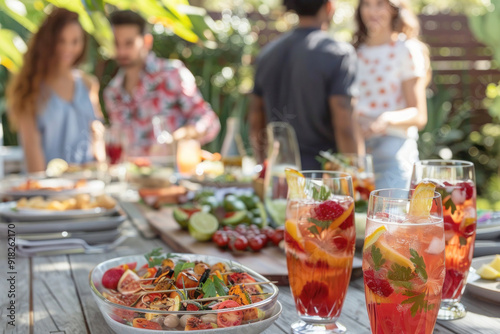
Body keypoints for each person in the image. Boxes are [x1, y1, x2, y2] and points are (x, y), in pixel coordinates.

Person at [250, 0, 363, 170]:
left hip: (280, 171)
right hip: (321, 176)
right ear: (329, 7)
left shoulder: (268, 53)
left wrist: (262, 164)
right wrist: (356, 173)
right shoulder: (338, 54)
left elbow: (255, 116)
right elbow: (344, 121)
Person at [103, 10, 220, 155]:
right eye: (116, 43)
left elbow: (208, 121)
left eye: (129, 43)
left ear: (147, 41)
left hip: (172, 173)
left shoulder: (171, 73)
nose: (121, 51)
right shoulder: (112, 93)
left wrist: (181, 136)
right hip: (130, 175)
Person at [6, 8, 104, 173]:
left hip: (89, 186)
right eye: (61, 40)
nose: (68, 48)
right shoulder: (30, 90)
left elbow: (97, 138)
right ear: (48, 41)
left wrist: (101, 171)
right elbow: (34, 164)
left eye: (75, 41)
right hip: (49, 190)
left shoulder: (88, 84)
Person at [353, 0, 430, 188]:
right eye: (367, 4)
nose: (372, 11)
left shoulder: (406, 50)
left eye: (380, 4)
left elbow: (419, 115)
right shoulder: (354, 52)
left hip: (393, 151)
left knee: (390, 216)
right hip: (358, 153)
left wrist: (385, 119)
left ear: (394, 9)